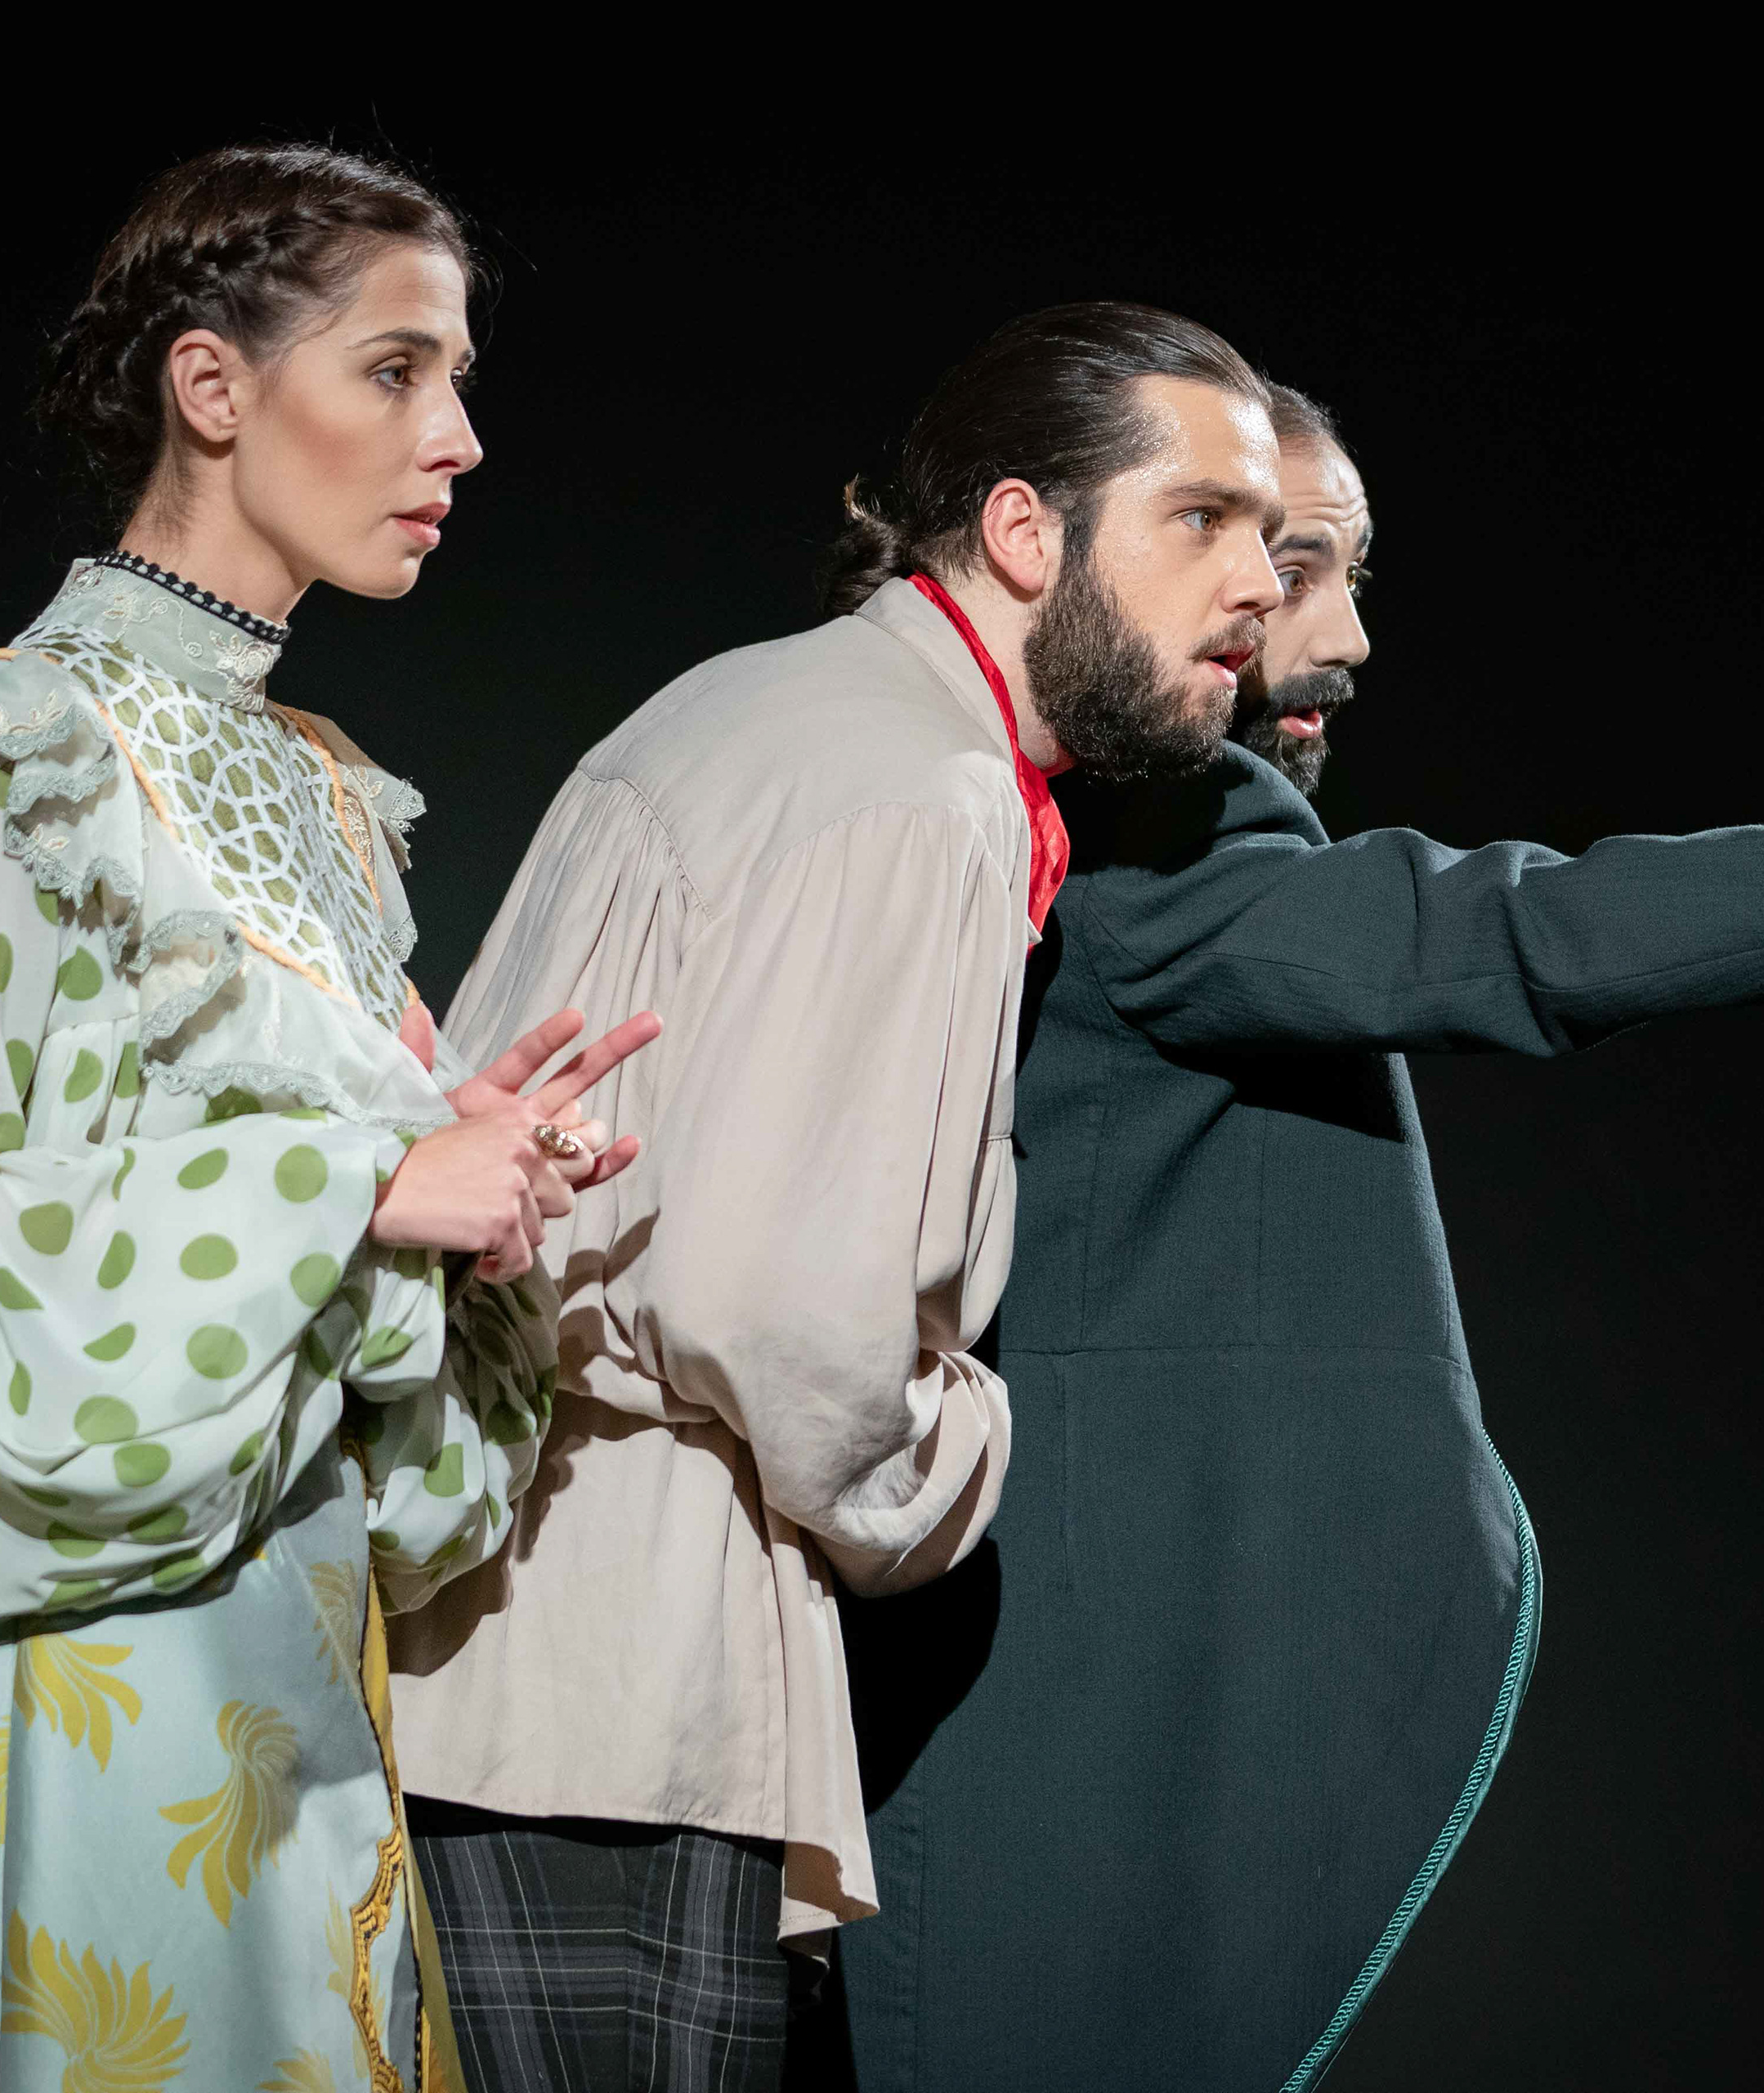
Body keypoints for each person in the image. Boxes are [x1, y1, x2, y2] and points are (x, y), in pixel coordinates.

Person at [824, 382, 1764, 2089]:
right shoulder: (1157, 845)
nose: (1341, 634)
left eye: (1342, 569)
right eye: (1285, 563)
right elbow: (1508, 930)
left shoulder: (1048, 823)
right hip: (1053, 1706)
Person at [0, 144, 657, 2093]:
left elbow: (344, 1291)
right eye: (397, 370)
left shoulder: (328, 792)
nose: (458, 436)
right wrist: (364, 1176)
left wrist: (469, 1174)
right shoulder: (1, 743)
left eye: (458, 377)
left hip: (293, 1641)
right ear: (212, 387)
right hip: (69, 1656)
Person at [387, 303, 1289, 2091]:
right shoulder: (921, 787)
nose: (1257, 581)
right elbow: (782, 1321)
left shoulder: (765, 704)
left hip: (515, 1669)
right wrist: (969, 1456)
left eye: (1266, 532)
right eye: (1201, 518)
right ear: (1024, 532)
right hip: (618, 1696)